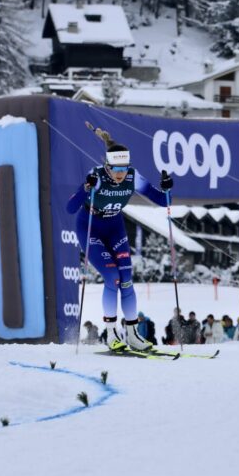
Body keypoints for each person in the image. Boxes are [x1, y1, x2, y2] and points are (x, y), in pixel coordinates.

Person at [66, 140, 173, 351]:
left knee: (126, 280)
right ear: (107, 166)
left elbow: (163, 200)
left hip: (115, 228)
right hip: (90, 228)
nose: (120, 174)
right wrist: (87, 188)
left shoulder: (133, 177)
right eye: (115, 169)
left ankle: (133, 336)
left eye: (123, 169)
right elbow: (70, 207)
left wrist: (167, 188)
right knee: (112, 277)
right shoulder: (96, 176)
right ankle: (111, 333)